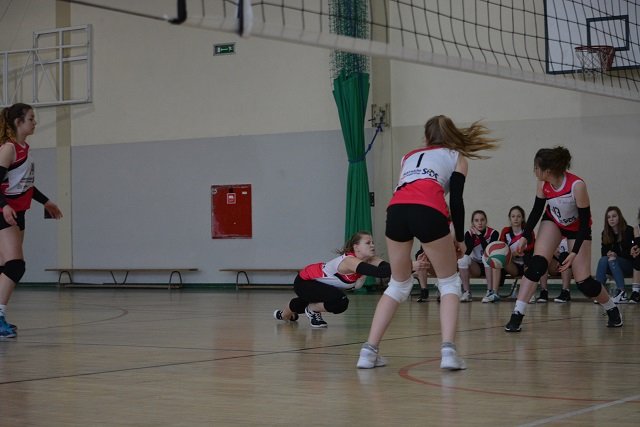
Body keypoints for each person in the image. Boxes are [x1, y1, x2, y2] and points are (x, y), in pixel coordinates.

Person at [357, 115, 498, 371]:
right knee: (449, 282)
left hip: (396, 210)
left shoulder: (408, 156)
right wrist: (459, 239)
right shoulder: (456, 157)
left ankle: (368, 352)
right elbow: (456, 200)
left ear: (426, 136)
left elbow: (409, 190)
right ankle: (448, 352)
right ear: (451, 134)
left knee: (398, 285)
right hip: (428, 209)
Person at [504, 146, 622, 332]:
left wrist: (574, 252)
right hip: (553, 222)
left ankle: (611, 308)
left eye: (536, 167)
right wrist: (525, 236)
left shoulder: (577, 186)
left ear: (548, 170)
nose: (534, 171)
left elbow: (585, 223)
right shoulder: (543, 184)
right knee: (537, 265)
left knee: (584, 283)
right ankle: (517, 314)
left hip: (577, 230)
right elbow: (536, 210)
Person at [0, 103, 62, 339]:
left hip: (18, 211)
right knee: (16, 265)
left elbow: (24, 185)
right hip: (4, 211)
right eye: (31, 118)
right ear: (18, 122)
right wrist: (4, 205)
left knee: (5, 266)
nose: (35, 123)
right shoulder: (8, 149)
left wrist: (46, 201)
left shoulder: (24, 148)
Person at [273, 231, 407, 328]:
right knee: (340, 301)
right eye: (368, 243)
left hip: (319, 286)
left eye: (372, 242)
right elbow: (380, 273)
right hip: (305, 281)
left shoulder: (371, 260)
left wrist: (410, 266)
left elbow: (389, 268)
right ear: (356, 247)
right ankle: (312, 309)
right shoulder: (349, 261)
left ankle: (283, 314)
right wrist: (410, 265)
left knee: (309, 301)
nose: (372, 245)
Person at [497, 205, 550, 302]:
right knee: (499, 260)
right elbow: (502, 247)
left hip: (527, 262)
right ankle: (493, 292)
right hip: (514, 265)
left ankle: (531, 294)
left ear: (522, 218)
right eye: (513, 216)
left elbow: (531, 246)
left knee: (537, 262)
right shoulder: (505, 231)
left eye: (518, 216)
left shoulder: (528, 231)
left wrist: (520, 252)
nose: (516, 219)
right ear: (510, 218)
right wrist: (512, 254)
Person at [595, 206, 635, 303]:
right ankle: (599, 293)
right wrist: (609, 253)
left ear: (619, 217)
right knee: (603, 259)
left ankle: (622, 293)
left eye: (614, 216)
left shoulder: (629, 230)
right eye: (609, 217)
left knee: (612, 259)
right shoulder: (605, 233)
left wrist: (616, 255)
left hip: (629, 265)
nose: (611, 219)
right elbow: (603, 253)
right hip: (612, 264)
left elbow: (632, 254)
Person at [459, 210, 500, 303]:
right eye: (476, 220)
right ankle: (467, 292)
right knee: (462, 260)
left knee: (486, 257)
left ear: (486, 221)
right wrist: (474, 235)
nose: (480, 223)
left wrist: (480, 235)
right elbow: (467, 251)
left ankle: (490, 291)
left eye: (482, 220)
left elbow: (488, 251)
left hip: (490, 266)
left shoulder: (494, 233)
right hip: (476, 267)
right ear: (473, 222)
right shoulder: (469, 233)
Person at [549, 238, 573, 303]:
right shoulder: (553, 235)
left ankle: (565, 291)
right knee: (543, 257)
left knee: (564, 256)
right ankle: (543, 292)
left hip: (572, 264)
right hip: (556, 265)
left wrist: (561, 259)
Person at [629, 208, 640, 303]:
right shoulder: (637, 228)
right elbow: (637, 242)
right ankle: (635, 292)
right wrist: (634, 248)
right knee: (637, 256)